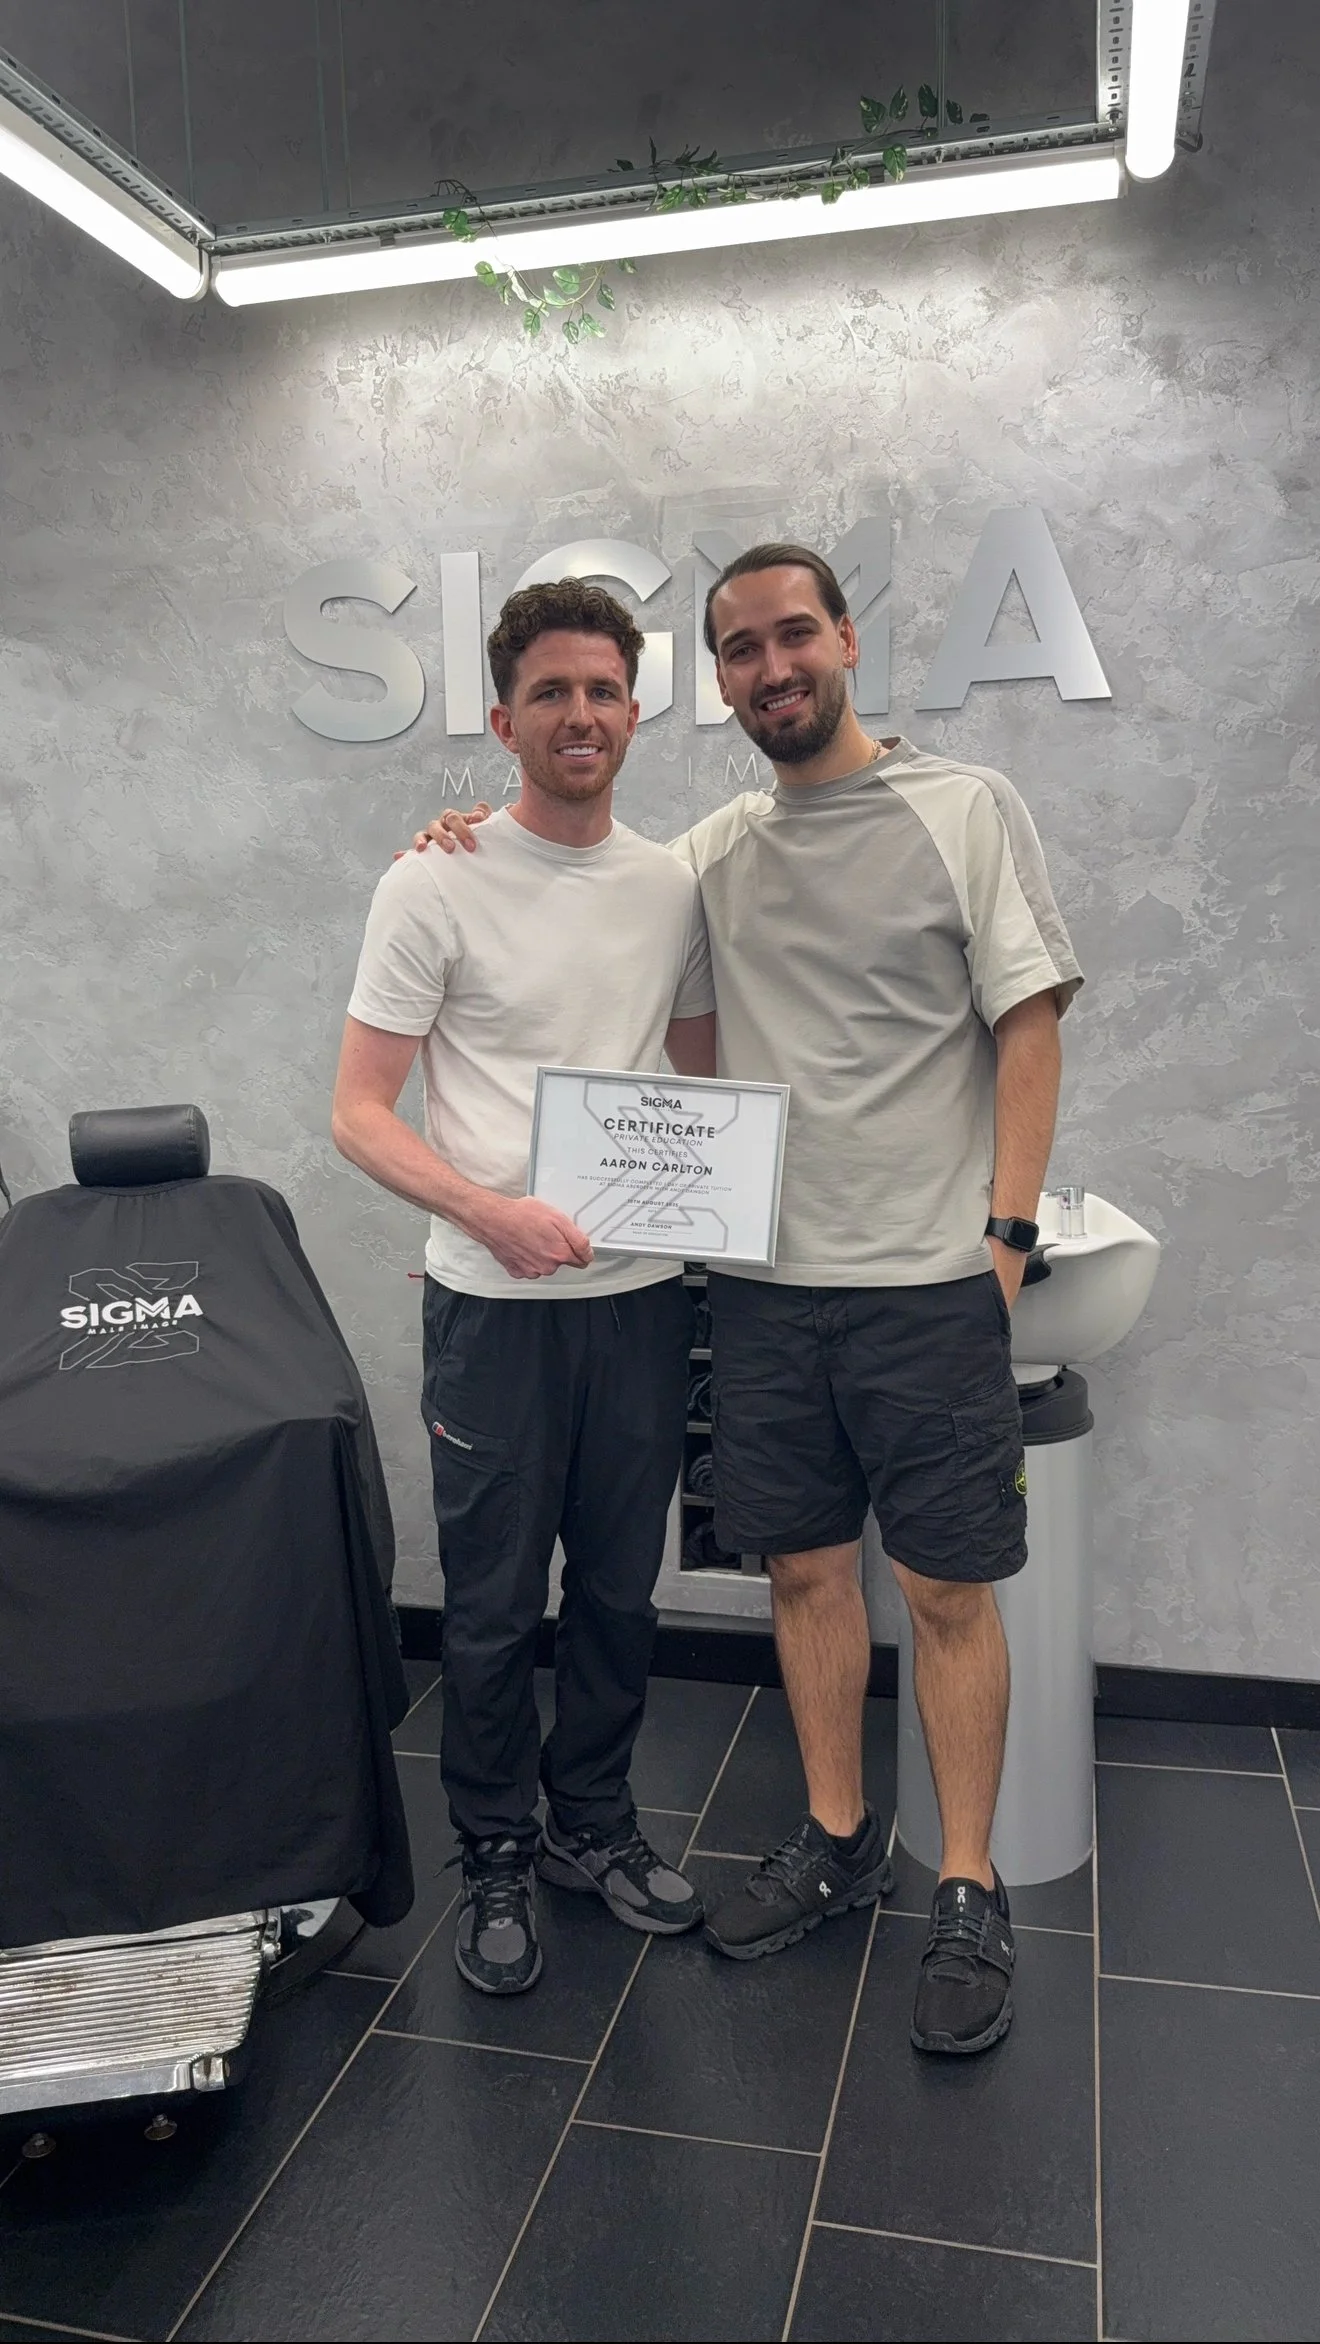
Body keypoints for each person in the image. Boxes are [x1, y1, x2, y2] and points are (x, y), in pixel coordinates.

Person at [416, 542, 1082, 2056]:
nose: (773, 667)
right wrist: (464, 832)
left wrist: (1004, 1236)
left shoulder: (966, 809)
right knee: (802, 1576)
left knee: (951, 1590)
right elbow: (577, 887)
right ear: (715, 685)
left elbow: (1028, 1029)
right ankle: (841, 1841)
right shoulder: (709, 850)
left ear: (846, 638)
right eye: (741, 651)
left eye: (796, 636)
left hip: (925, 1284)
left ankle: (964, 1882)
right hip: (766, 1293)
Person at [332, 578, 716, 1997]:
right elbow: (361, 1112)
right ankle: (493, 1850)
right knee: (493, 1607)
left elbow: (699, 1070)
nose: (580, 714)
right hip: (492, 1311)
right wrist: (485, 1210)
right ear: (504, 719)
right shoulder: (430, 879)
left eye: (603, 691)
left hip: (642, 1299)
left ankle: (592, 1828)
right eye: (551, 692)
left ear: (634, 712)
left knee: (621, 1593)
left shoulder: (672, 881)